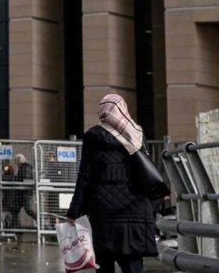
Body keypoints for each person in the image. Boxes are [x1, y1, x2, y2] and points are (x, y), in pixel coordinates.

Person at [66, 94, 159, 273]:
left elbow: (84, 178)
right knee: (132, 264)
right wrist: (152, 207)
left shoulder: (93, 136)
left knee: (104, 263)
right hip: (135, 211)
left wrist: (73, 212)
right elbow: (149, 173)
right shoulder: (137, 134)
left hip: (103, 214)